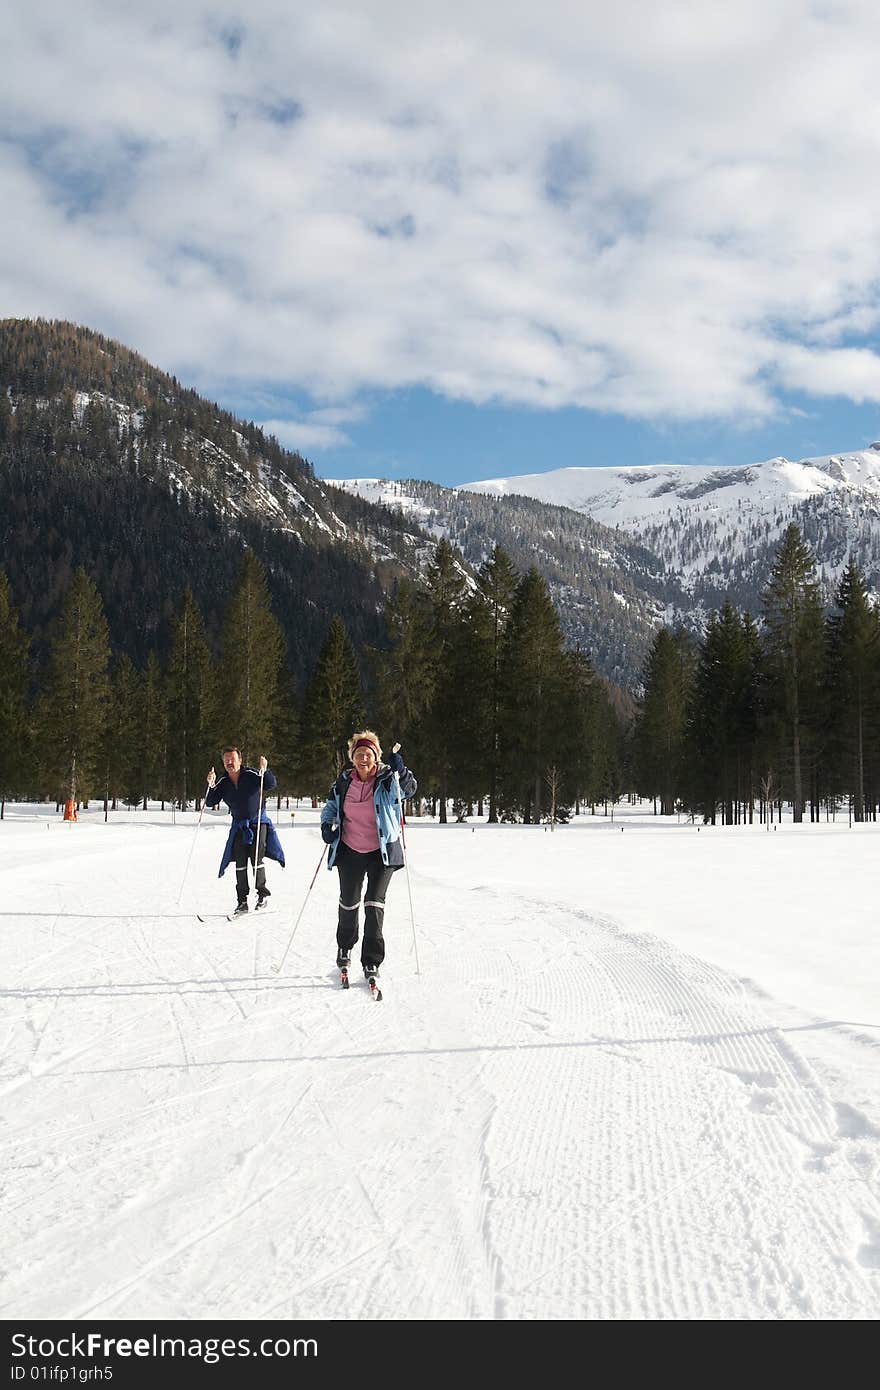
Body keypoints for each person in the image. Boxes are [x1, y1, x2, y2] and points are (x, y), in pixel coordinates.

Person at [320, 731, 416, 980]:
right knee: (349, 902)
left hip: (380, 852)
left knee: (374, 904)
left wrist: (401, 771)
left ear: (376, 756)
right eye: (359, 754)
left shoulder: (386, 778)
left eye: (369, 754)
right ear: (353, 757)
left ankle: (372, 960)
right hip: (350, 849)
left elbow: (407, 790)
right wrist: (327, 825)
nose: (364, 758)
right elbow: (331, 806)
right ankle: (345, 946)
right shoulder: (343, 782)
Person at [206, 746, 285, 915]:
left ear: (240, 760)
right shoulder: (223, 782)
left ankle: (262, 895)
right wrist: (211, 785)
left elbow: (270, 784)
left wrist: (265, 770)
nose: (229, 762)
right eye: (226, 760)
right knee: (240, 862)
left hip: (258, 821)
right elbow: (210, 801)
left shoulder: (250, 774)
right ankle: (242, 901)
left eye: (232, 759)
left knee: (256, 857)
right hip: (239, 825)